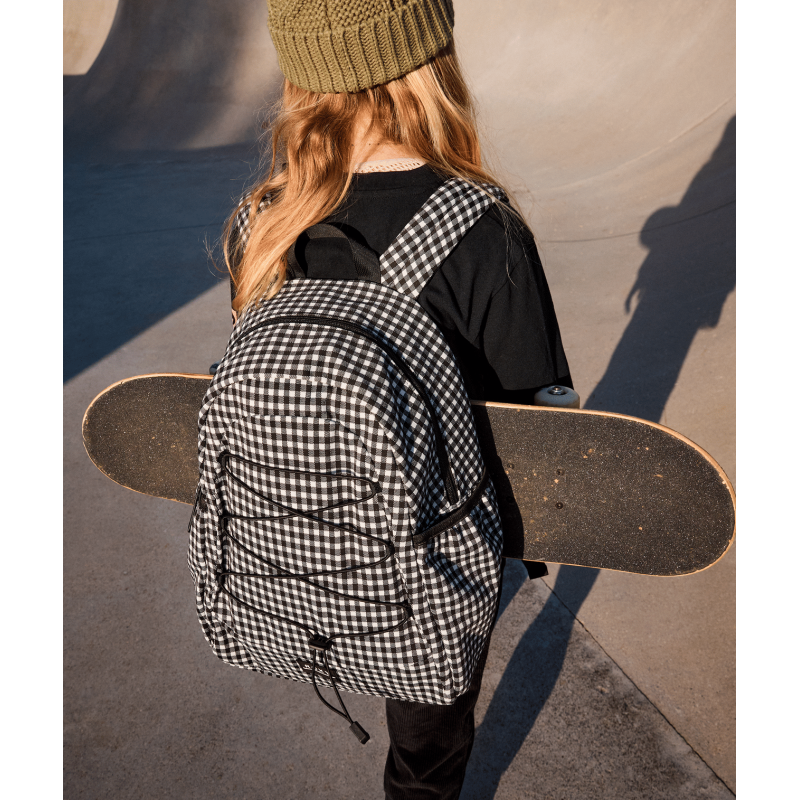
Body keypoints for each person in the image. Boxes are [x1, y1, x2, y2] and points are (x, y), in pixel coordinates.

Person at [223, 2, 571, 797]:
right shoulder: (481, 229)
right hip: (424, 575)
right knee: (426, 747)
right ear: (430, 56)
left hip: (289, 562)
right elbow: (534, 438)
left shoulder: (262, 222)